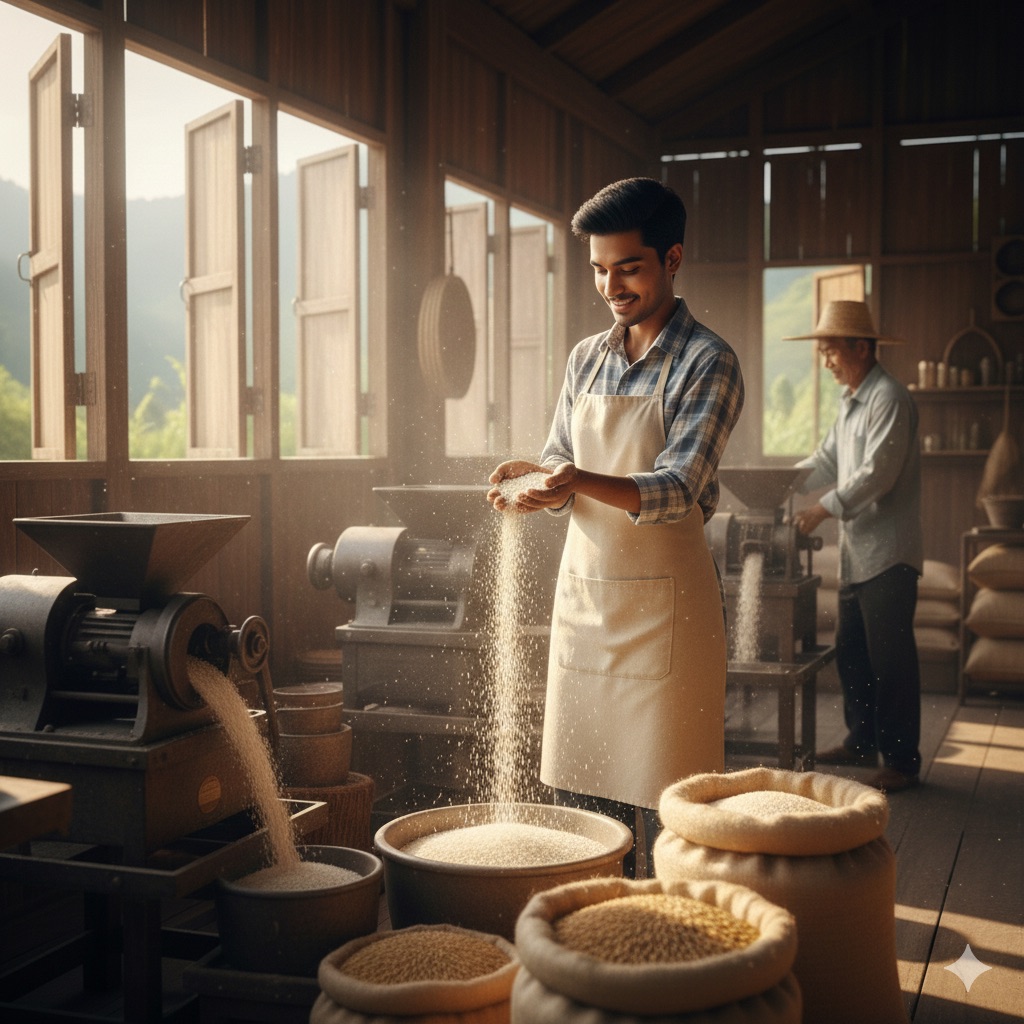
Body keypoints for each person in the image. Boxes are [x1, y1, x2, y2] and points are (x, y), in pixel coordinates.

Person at [487, 177, 744, 876]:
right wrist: (536, 483)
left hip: (669, 615)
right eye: (599, 270)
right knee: (584, 805)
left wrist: (574, 480)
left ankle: (671, 957)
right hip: (589, 604)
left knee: (671, 812)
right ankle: (593, 941)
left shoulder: (707, 361)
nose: (612, 286)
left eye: (628, 267)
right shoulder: (586, 358)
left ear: (672, 258)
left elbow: (677, 489)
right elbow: (558, 460)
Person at [787, 299, 923, 793]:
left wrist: (821, 508)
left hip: (888, 555)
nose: (825, 361)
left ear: (860, 347)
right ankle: (862, 740)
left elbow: (876, 478)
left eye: (830, 351)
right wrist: (778, 483)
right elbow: (825, 461)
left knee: (891, 661)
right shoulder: (851, 402)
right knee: (852, 653)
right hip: (859, 555)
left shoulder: (889, 398)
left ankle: (903, 761)